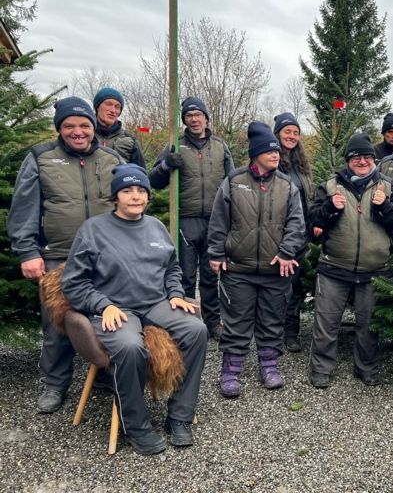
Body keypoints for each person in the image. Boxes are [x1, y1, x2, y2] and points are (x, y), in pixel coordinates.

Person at [62, 164, 208, 455]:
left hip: (155, 302)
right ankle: (136, 426)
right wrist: (103, 305)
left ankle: (178, 417)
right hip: (116, 308)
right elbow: (73, 282)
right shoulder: (94, 230)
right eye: (127, 190)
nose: (135, 196)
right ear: (116, 197)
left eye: (141, 190)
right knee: (130, 347)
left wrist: (177, 293)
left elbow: (172, 268)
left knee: (197, 330)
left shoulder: (155, 226)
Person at [7, 96, 122, 414]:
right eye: (69, 125)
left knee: (108, 319)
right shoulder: (41, 158)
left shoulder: (111, 159)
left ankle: (105, 372)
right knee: (58, 324)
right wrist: (28, 251)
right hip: (59, 258)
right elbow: (23, 207)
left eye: (84, 125)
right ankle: (55, 385)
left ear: (93, 127)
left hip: (105, 257)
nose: (78, 131)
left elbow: (127, 202)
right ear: (59, 128)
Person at [208, 122, 305, 395]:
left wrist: (287, 252)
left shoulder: (287, 186)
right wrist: (216, 252)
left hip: (276, 270)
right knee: (237, 320)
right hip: (239, 269)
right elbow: (218, 221)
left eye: (277, 152)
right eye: (269, 151)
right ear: (256, 153)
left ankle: (269, 366)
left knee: (272, 319)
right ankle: (231, 371)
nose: (276, 155)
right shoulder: (234, 182)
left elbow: (297, 225)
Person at [308, 133, 393, 388]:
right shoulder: (330, 186)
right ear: (348, 160)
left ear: (373, 159)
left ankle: (366, 367)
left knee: (369, 324)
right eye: (356, 157)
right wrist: (331, 207)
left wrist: (385, 206)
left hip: (375, 270)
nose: (362, 161)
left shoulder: (388, 186)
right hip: (334, 268)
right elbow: (314, 219)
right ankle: (321, 368)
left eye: (367, 157)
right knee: (326, 323)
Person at [148, 96, 235, 341]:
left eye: (198, 115)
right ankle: (185, 322)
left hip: (215, 221)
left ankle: (212, 321)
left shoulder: (219, 146)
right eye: (189, 115)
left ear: (207, 118)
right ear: (184, 120)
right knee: (185, 275)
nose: (194, 119)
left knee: (210, 275)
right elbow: (153, 180)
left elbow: (232, 183)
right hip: (185, 220)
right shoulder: (176, 144)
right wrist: (165, 165)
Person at [273, 112, 320, 353]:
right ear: (278, 133)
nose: (291, 136)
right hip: (277, 234)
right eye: (287, 131)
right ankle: (271, 332)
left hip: (301, 233)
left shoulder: (302, 165)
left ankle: (291, 331)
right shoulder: (271, 161)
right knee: (278, 284)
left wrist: (313, 224)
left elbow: (308, 198)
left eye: (295, 132)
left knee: (296, 284)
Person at [93, 87, 146, 168]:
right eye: (108, 104)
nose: (113, 110)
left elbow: (141, 175)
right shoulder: (83, 136)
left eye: (117, 107)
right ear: (97, 107)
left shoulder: (129, 140)